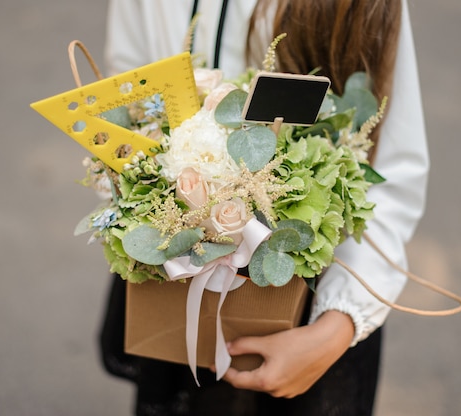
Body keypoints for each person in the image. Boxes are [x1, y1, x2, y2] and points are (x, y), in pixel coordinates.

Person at [100, 0, 428, 415]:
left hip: (306, 311)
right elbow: (127, 93)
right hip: (172, 280)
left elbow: (393, 173)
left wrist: (336, 327)